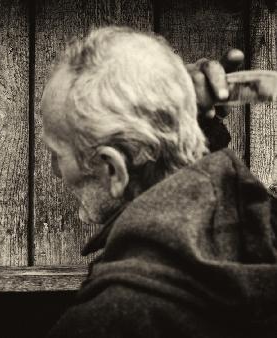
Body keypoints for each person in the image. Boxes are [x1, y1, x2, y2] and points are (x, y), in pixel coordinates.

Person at [41, 26, 277, 337]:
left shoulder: (106, 320)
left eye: (58, 153)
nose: (56, 170)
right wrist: (179, 121)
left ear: (114, 170)